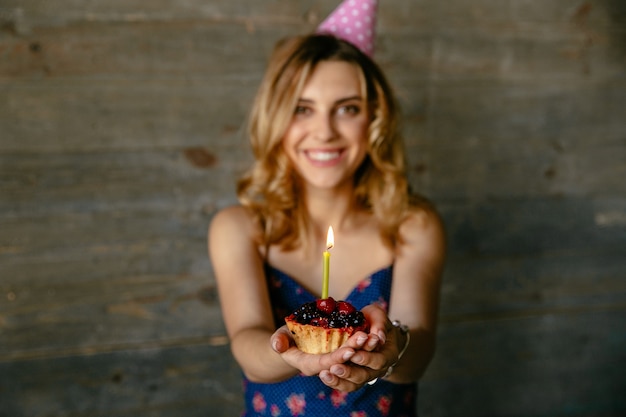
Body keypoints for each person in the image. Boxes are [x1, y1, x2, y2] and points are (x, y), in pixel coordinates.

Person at [208, 5, 445, 415]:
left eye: (347, 108)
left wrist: (393, 346)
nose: (324, 131)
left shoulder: (412, 225)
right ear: (276, 118)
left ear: (374, 118)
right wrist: (287, 353)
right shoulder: (240, 228)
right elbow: (247, 344)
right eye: (303, 108)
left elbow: (418, 355)